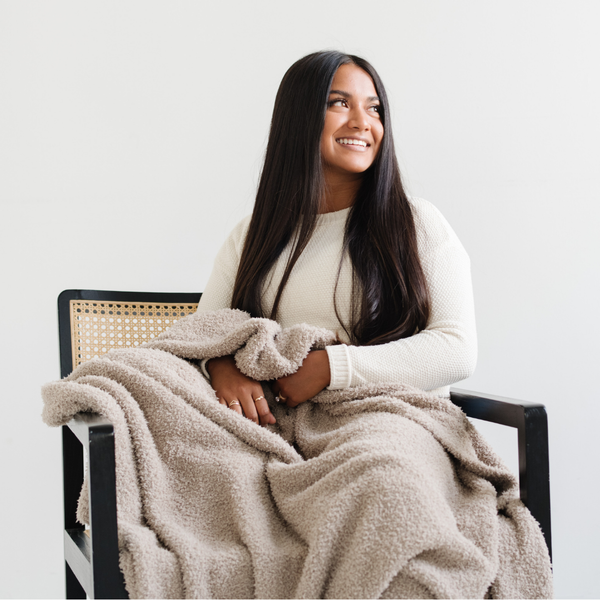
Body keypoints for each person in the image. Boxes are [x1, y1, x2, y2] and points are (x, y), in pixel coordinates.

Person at [197, 50, 477, 426]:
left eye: (375, 109)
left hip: (395, 423)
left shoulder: (417, 222)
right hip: (281, 429)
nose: (363, 122)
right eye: (339, 103)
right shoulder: (250, 235)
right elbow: (203, 333)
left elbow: (456, 350)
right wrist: (219, 367)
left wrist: (331, 367)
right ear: (299, 118)